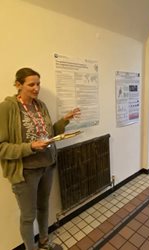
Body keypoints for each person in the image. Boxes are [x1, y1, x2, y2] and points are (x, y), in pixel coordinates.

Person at [0, 68, 80, 250]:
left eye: (38, 84)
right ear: (18, 85)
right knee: (28, 216)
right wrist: (30, 147)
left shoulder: (40, 105)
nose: (36, 88)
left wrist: (64, 120)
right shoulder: (7, 108)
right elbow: (1, 147)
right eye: (31, 84)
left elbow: (48, 134)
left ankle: (44, 241)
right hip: (26, 172)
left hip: (47, 166)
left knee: (44, 207)